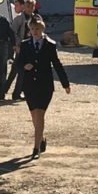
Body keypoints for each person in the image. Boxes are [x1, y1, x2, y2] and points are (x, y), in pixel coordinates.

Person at [18, 15, 70, 159]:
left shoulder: (50, 45)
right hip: (29, 85)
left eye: (37, 29)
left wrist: (65, 83)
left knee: (39, 114)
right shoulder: (25, 44)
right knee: (34, 116)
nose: (35, 32)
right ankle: (41, 139)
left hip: (44, 85)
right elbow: (18, 63)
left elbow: (57, 65)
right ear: (29, 30)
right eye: (32, 29)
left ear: (42, 29)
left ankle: (36, 149)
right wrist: (24, 66)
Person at [4, 0, 27, 99]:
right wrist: (16, 45)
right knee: (20, 71)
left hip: (22, 48)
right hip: (20, 48)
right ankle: (16, 93)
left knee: (15, 70)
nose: (15, 8)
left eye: (17, 5)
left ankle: (5, 89)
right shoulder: (19, 18)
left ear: (23, 6)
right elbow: (12, 33)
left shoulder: (24, 17)